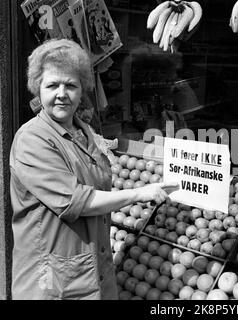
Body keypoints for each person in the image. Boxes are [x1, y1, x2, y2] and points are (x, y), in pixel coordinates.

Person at [9, 39, 178, 300]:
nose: (62, 93)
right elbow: (75, 201)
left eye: (71, 85)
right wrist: (138, 194)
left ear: (82, 89)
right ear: (38, 89)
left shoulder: (83, 130)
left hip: (93, 271)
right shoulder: (32, 139)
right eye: (52, 85)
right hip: (53, 282)